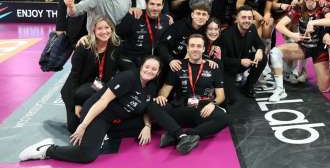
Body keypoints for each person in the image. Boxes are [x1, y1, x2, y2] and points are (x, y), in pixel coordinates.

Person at [19, 57, 200, 163]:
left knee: (157, 108)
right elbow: (102, 102)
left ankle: (180, 136)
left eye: (154, 69)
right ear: (141, 67)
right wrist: (83, 126)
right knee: (87, 155)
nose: (150, 71)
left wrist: (147, 125)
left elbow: (147, 107)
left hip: (118, 120)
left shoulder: (151, 87)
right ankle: (47, 149)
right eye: (147, 67)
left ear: (158, 72)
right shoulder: (128, 78)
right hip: (99, 115)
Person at [155, 35, 228, 145]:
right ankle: (185, 135)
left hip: (202, 109)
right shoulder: (177, 66)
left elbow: (221, 96)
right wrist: (160, 97)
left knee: (224, 118)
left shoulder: (213, 67)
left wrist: (213, 104)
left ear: (203, 49)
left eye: (199, 46)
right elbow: (164, 92)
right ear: (187, 48)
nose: (195, 49)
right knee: (155, 106)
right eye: (192, 46)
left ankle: (183, 135)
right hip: (181, 107)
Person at [269, 0, 330, 101]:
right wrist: (292, 35)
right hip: (303, 47)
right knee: (274, 52)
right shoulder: (298, 8)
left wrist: (313, 22)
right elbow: (279, 25)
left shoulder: (322, 6)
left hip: (319, 49)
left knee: (324, 88)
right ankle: (280, 90)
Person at [60, 17, 125, 133]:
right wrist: (77, 103)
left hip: (94, 86)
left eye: (107, 27)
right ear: (93, 31)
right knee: (73, 128)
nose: (104, 31)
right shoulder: (84, 47)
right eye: (99, 28)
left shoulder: (116, 45)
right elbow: (75, 76)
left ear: (112, 29)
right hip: (74, 89)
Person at [218, 5, 267, 104]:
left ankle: (248, 86)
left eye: (250, 18)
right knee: (229, 100)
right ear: (237, 19)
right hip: (228, 69)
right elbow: (222, 60)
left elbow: (260, 44)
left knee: (263, 58)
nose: (247, 20)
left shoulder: (252, 28)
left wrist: (260, 50)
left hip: (243, 63)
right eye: (243, 17)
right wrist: (240, 61)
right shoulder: (226, 35)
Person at [116, 0, 170, 67]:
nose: (155, 8)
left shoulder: (166, 20)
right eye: (152, 4)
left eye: (158, 5)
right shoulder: (135, 15)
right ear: (146, 4)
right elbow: (117, 34)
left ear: (162, 6)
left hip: (151, 60)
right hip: (130, 59)